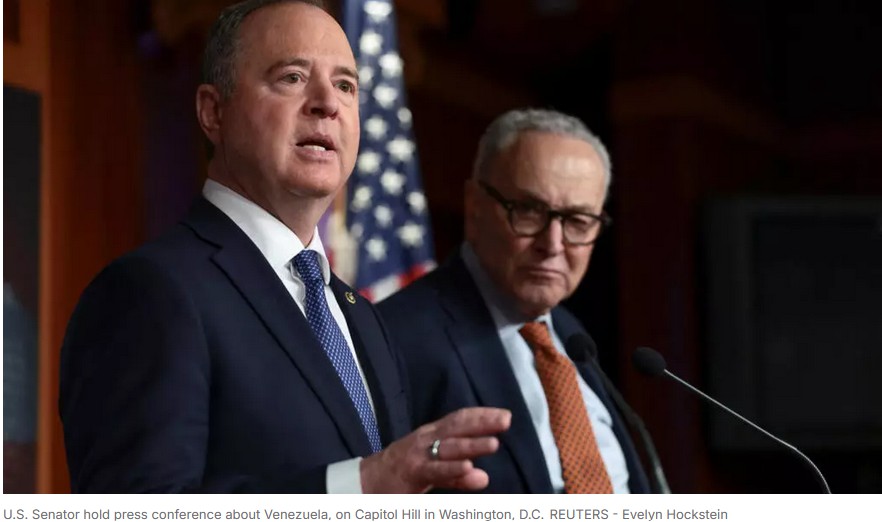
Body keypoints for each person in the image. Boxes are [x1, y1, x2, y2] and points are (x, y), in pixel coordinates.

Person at [59, 0, 510, 493]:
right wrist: (356, 487)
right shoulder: (149, 293)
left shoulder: (363, 318)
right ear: (213, 111)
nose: (327, 103)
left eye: (345, 86)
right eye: (292, 77)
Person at [379, 109, 651, 493]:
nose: (552, 244)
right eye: (529, 211)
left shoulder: (569, 333)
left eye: (577, 221)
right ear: (474, 205)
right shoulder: (395, 337)